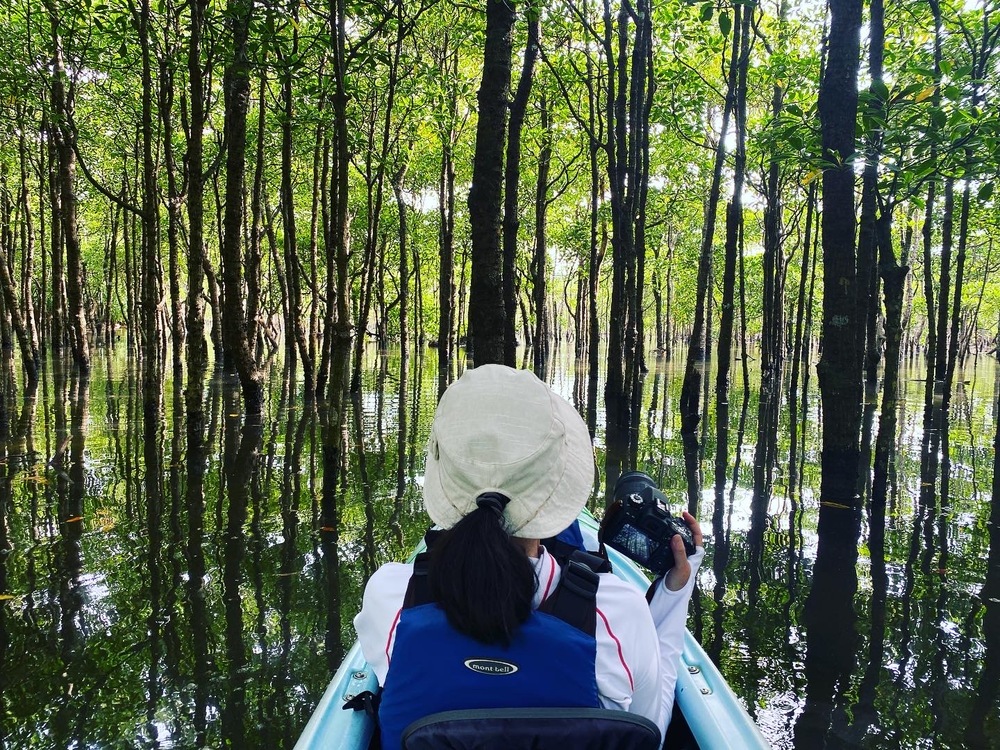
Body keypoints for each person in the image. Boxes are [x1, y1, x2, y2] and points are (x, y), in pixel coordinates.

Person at [354, 364, 704, 750]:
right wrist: (674, 593)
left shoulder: (391, 597)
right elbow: (648, 732)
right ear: (555, 483)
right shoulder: (616, 610)